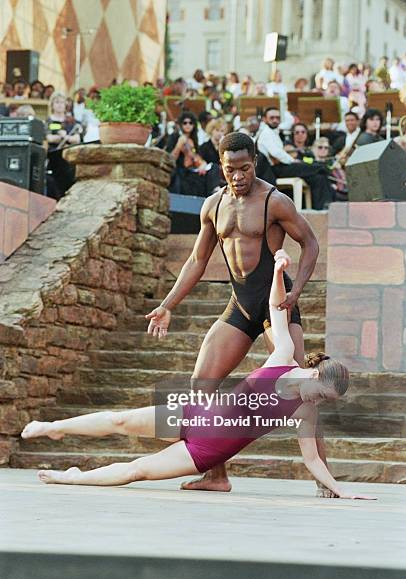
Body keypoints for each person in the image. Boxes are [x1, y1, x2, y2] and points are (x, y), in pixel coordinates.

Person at [20, 250, 374, 501]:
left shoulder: (304, 411)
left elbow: (312, 459)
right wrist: (279, 270)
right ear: (314, 372)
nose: (317, 401)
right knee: (120, 419)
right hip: (194, 414)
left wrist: (341, 489)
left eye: (324, 401)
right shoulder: (282, 358)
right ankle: (54, 428)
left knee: (136, 470)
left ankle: (73, 478)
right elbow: (275, 310)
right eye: (320, 393)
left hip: (204, 449)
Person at [145, 132, 337, 495]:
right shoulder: (213, 205)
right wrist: (168, 305)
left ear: (255, 163)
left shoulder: (274, 202)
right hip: (239, 305)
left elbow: (310, 242)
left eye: (245, 168)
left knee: (302, 389)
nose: (238, 177)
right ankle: (216, 475)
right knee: (200, 382)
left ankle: (323, 476)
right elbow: (197, 261)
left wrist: (296, 291)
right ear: (221, 165)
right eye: (231, 169)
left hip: (276, 308)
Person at [256, 107, 334, 210]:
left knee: (319, 178)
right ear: (265, 119)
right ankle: (324, 169)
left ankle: (324, 206)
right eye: (272, 118)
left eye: (277, 117)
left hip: (282, 165)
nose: (275, 120)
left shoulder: (274, 133)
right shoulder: (266, 133)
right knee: (316, 167)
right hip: (276, 169)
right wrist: (293, 160)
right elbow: (277, 153)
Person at [165, 111, 218, 197]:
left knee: (213, 168)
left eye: (191, 123)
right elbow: (170, 159)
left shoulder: (194, 140)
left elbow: (197, 158)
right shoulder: (174, 137)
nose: (188, 125)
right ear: (181, 124)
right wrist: (179, 145)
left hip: (192, 171)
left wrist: (202, 165)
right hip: (180, 171)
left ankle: (213, 194)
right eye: (185, 123)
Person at [46, 91, 82, 199]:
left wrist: (67, 137)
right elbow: (49, 137)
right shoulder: (49, 121)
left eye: (62, 102)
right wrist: (61, 137)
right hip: (54, 156)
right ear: (52, 104)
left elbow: (77, 138)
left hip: (69, 157)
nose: (60, 105)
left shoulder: (71, 120)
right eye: (57, 102)